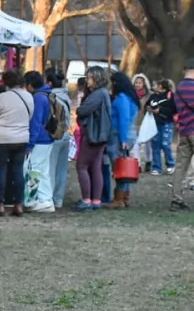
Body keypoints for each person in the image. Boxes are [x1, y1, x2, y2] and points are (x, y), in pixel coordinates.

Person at [0, 70, 33, 216]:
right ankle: (18, 204)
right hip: (21, 138)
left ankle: (0, 204)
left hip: (2, 138)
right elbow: (30, 116)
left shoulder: (2, 97)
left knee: (1, 170)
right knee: (18, 170)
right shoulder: (28, 96)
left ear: (5, 82)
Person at [75, 66, 113, 211]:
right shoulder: (105, 93)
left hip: (93, 135)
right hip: (102, 136)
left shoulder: (97, 94)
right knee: (96, 167)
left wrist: (79, 110)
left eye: (89, 77)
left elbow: (83, 110)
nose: (87, 80)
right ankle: (96, 200)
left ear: (95, 78)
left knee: (82, 166)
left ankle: (86, 200)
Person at [104, 71, 140, 209]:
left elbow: (123, 119)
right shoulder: (130, 98)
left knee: (119, 167)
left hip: (118, 135)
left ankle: (119, 199)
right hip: (128, 134)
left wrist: (123, 139)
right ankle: (124, 197)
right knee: (124, 166)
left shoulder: (122, 99)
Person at [24, 71, 56, 213]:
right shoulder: (48, 95)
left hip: (39, 139)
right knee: (44, 170)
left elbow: (36, 123)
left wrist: (30, 144)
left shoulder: (38, 98)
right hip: (48, 138)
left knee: (33, 170)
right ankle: (46, 199)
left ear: (30, 85)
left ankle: (32, 199)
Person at [46, 69, 73, 209]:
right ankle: (59, 198)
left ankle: (48, 197)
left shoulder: (51, 97)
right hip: (66, 134)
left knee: (51, 167)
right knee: (62, 169)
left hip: (54, 135)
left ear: (49, 82)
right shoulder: (66, 96)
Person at [172, 59, 194, 211]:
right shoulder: (192, 87)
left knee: (180, 167)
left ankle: (176, 199)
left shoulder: (179, 87)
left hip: (184, 131)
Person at [148, 79, 177, 176]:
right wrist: (148, 109)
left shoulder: (170, 96)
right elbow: (147, 105)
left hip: (167, 123)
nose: (154, 86)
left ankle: (171, 164)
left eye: (156, 84)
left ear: (161, 86)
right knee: (155, 145)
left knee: (165, 144)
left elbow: (173, 109)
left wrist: (160, 110)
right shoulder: (153, 96)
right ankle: (156, 167)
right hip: (154, 124)